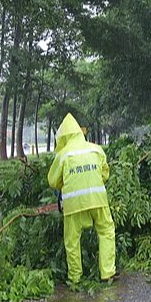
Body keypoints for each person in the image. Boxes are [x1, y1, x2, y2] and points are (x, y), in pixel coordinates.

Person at [47, 113, 117, 284]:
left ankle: (75, 277)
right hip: (98, 200)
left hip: (73, 203)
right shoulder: (96, 149)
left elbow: (53, 181)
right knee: (106, 231)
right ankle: (107, 273)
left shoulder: (63, 155)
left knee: (72, 240)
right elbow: (105, 174)